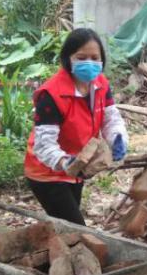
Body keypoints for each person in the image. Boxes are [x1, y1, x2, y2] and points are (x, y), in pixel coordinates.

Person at [24, 27, 129, 225]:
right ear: (68, 58)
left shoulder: (100, 84)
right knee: (77, 230)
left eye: (94, 57)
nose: (89, 62)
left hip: (78, 168)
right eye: (81, 57)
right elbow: (43, 144)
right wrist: (65, 162)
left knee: (66, 230)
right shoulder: (51, 94)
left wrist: (117, 137)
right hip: (48, 172)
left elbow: (110, 118)